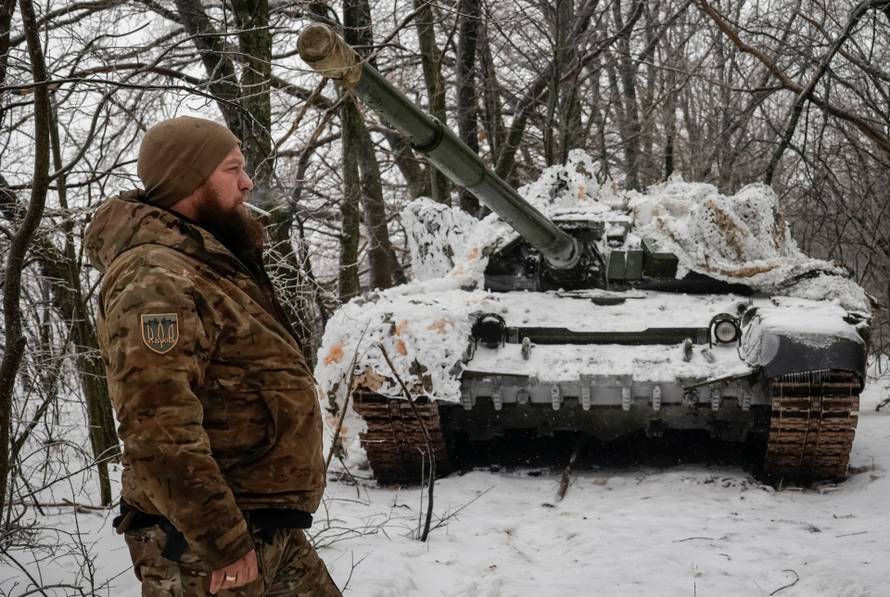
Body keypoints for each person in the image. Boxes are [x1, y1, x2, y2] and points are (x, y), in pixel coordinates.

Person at [85, 116, 342, 596]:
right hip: (206, 545)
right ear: (189, 179)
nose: (247, 182)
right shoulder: (155, 279)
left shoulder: (203, 261)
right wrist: (222, 539)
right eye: (232, 169)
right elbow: (157, 427)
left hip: (263, 527)